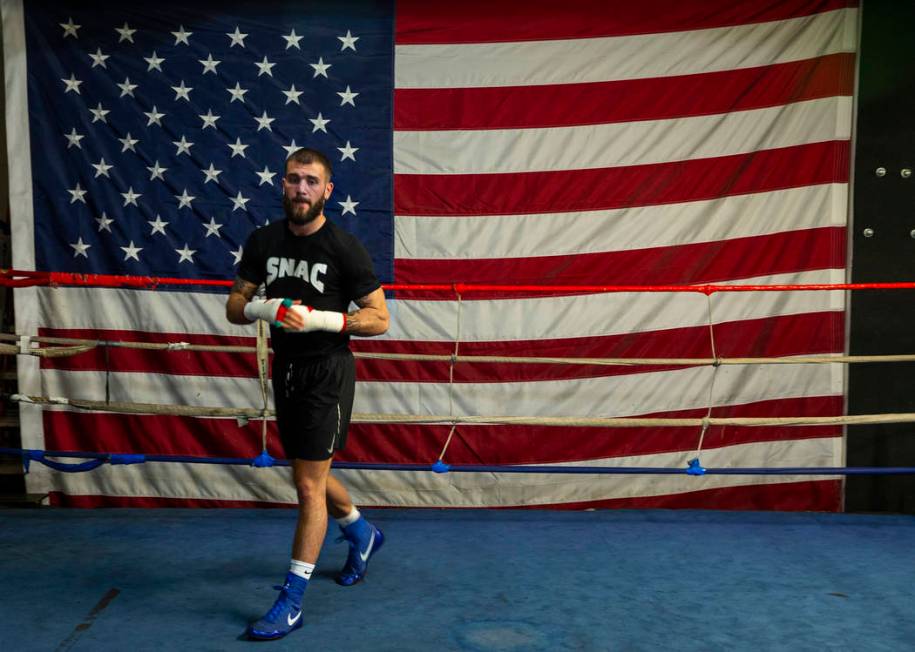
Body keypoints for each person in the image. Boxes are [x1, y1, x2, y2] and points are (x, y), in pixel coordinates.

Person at [225, 147, 390, 641]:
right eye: (294, 179)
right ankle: (361, 532)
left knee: (307, 486)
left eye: (311, 181)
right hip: (288, 370)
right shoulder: (263, 240)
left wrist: (324, 319)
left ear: (327, 190)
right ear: (283, 183)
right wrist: (265, 310)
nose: (302, 189)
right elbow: (234, 305)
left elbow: (380, 318)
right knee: (307, 472)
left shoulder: (344, 248)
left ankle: (291, 601)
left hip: (327, 373)